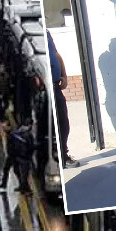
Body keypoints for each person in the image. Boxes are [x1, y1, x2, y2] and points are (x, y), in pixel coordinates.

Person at [47, 30, 81, 169]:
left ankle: (63, 155)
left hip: (56, 87)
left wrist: (64, 75)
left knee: (63, 123)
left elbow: (56, 53)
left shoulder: (46, 32)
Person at [3, 121, 34, 193]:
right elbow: (31, 147)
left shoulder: (16, 134)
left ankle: (25, 188)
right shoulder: (24, 134)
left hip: (19, 156)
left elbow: (29, 147)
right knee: (21, 173)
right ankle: (24, 188)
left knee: (22, 173)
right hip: (21, 156)